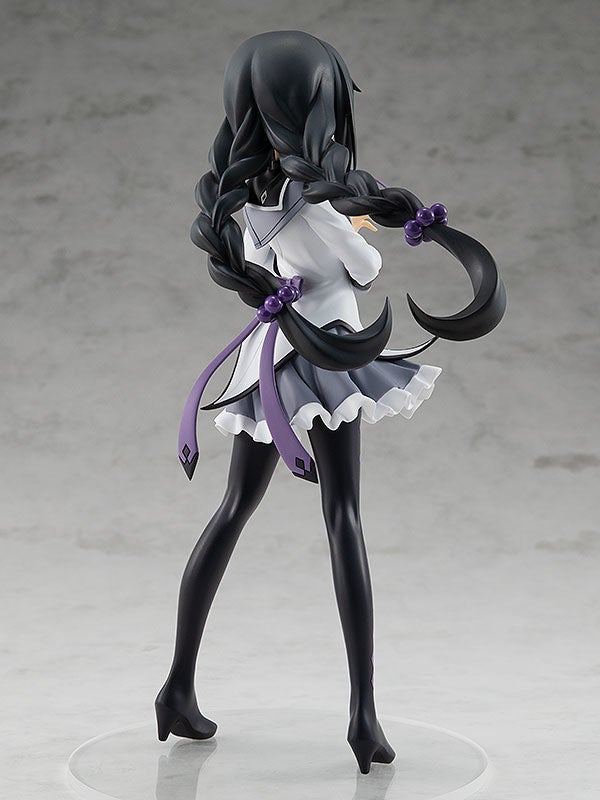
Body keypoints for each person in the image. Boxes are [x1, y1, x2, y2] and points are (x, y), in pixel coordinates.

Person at [155, 30, 505, 774]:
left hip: (267, 361)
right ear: (320, 108)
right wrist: (355, 225)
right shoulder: (315, 211)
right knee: (343, 514)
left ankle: (176, 686)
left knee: (233, 509)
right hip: (326, 358)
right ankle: (362, 714)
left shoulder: (247, 210)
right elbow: (367, 269)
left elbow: (263, 267)